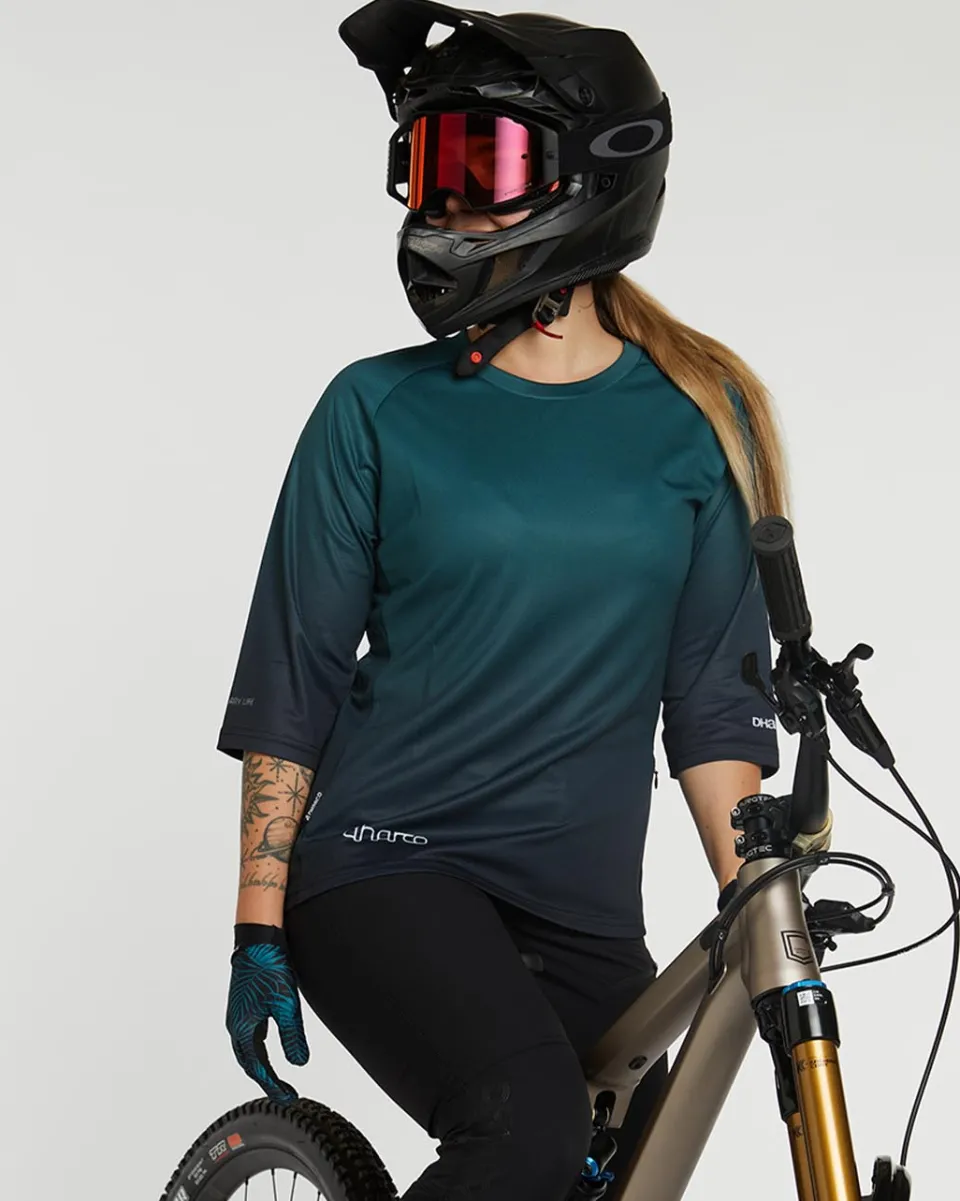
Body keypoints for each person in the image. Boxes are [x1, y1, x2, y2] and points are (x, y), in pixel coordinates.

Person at [218, 4, 790, 1200]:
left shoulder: (704, 420)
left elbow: (711, 702)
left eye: (484, 169)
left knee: (624, 1171)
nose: (449, 208)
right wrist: (258, 922)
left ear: (599, 176)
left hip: (582, 907)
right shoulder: (374, 409)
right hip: (386, 866)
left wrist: (756, 898)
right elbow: (295, 677)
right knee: (524, 1127)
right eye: (431, 169)